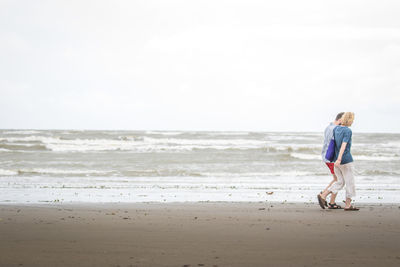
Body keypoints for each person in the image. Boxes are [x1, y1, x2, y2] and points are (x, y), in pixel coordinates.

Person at [318, 112, 359, 211]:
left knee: (340, 182)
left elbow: (333, 144)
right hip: (345, 160)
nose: (353, 122)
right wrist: (340, 158)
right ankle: (348, 205)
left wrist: (336, 159)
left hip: (335, 160)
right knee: (350, 182)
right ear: (349, 120)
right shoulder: (347, 131)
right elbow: (343, 146)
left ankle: (324, 195)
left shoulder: (336, 129)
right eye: (352, 120)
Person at [319, 112, 344, 209]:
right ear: (340, 120)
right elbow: (336, 143)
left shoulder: (329, 127)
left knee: (336, 179)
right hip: (331, 157)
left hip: (326, 156)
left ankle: (326, 197)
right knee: (338, 180)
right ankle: (325, 197)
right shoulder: (335, 129)